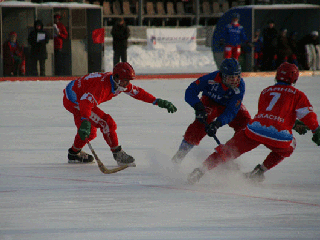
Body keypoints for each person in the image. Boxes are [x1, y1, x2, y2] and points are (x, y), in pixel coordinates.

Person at [187, 62, 320, 184]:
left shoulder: (266, 91)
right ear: (294, 79)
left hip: (255, 129)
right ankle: (260, 171)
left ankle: (200, 170)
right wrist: (315, 130)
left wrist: (292, 123)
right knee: (290, 145)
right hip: (279, 136)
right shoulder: (298, 95)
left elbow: (267, 114)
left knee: (227, 151)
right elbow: (308, 116)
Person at [63, 62, 177, 165]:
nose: (127, 84)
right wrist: (85, 120)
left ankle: (74, 153)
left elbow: (137, 92)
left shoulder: (118, 82)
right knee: (107, 123)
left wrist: (156, 101)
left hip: (77, 96)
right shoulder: (102, 87)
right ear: (116, 77)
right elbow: (85, 103)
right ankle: (117, 153)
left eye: (129, 80)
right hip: (76, 101)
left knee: (90, 133)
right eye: (125, 80)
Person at [171, 58, 251, 164]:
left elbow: (232, 110)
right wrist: (198, 106)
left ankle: (229, 153)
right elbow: (190, 91)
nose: (234, 80)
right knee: (200, 124)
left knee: (246, 123)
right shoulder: (209, 78)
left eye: (237, 76)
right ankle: (179, 155)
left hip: (228, 105)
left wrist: (217, 123)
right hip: (210, 102)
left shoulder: (240, 85)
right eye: (230, 77)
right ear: (222, 75)